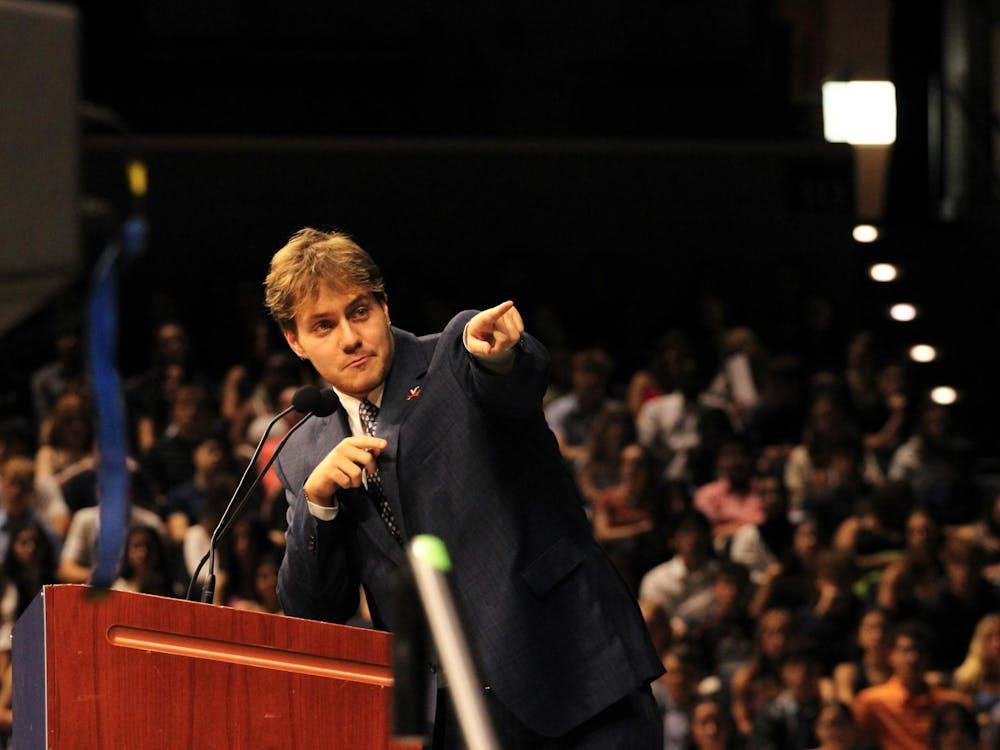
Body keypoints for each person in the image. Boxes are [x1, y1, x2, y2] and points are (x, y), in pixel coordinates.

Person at [263, 227, 664, 748]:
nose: (349, 338)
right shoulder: (301, 452)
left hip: (570, 674)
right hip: (447, 721)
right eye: (323, 325)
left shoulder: (455, 355)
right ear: (295, 341)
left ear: (385, 306)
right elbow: (312, 612)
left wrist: (499, 356)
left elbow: (516, 381)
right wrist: (318, 506)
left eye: (359, 311)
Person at [853, 620, 972, 750]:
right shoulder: (871, 701)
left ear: (928, 657)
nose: (913, 658)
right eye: (906, 650)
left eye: (920, 651)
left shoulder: (951, 703)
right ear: (891, 655)